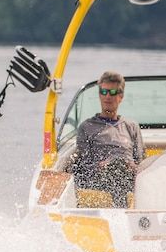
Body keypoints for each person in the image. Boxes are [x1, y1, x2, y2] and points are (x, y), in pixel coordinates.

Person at [55, 70, 146, 207]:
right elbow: (83, 164)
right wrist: (100, 165)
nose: (107, 96)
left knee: (120, 165)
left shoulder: (131, 126)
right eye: (104, 92)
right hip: (100, 177)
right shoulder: (87, 127)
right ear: (99, 95)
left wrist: (132, 166)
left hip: (127, 176)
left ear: (120, 96)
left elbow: (141, 161)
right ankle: (121, 209)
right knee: (114, 167)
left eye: (112, 93)